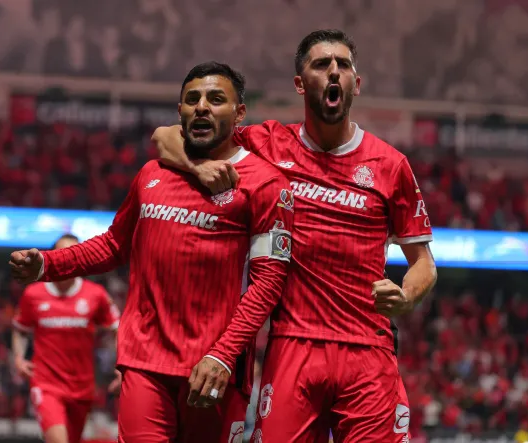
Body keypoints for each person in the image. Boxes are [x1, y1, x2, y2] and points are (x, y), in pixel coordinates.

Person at [152, 30, 438, 443]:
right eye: (322, 64)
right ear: (301, 84)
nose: (334, 72)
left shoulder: (391, 165)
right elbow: (165, 137)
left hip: (367, 349)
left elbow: (424, 263)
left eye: (343, 65)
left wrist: (407, 296)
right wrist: (197, 168)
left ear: (356, 84)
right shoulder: (265, 144)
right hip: (292, 346)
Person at [10, 61, 295, 443]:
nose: (202, 107)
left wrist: (224, 354)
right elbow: (115, 244)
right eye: (192, 99)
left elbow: (268, 284)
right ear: (180, 111)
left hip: (213, 369)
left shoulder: (265, 184)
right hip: (144, 362)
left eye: (215, 99)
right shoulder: (152, 174)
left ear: (239, 113)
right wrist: (47, 263)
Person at [12, 234, 122, 443]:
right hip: (46, 384)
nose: (67, 258)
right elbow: (20, 329)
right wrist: (18, 358)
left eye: (73, 254)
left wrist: (122, 366)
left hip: (82, 388)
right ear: (52, 256)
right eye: (62, 253)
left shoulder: (96, 295)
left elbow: (118, 329)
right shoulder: (33, 294)